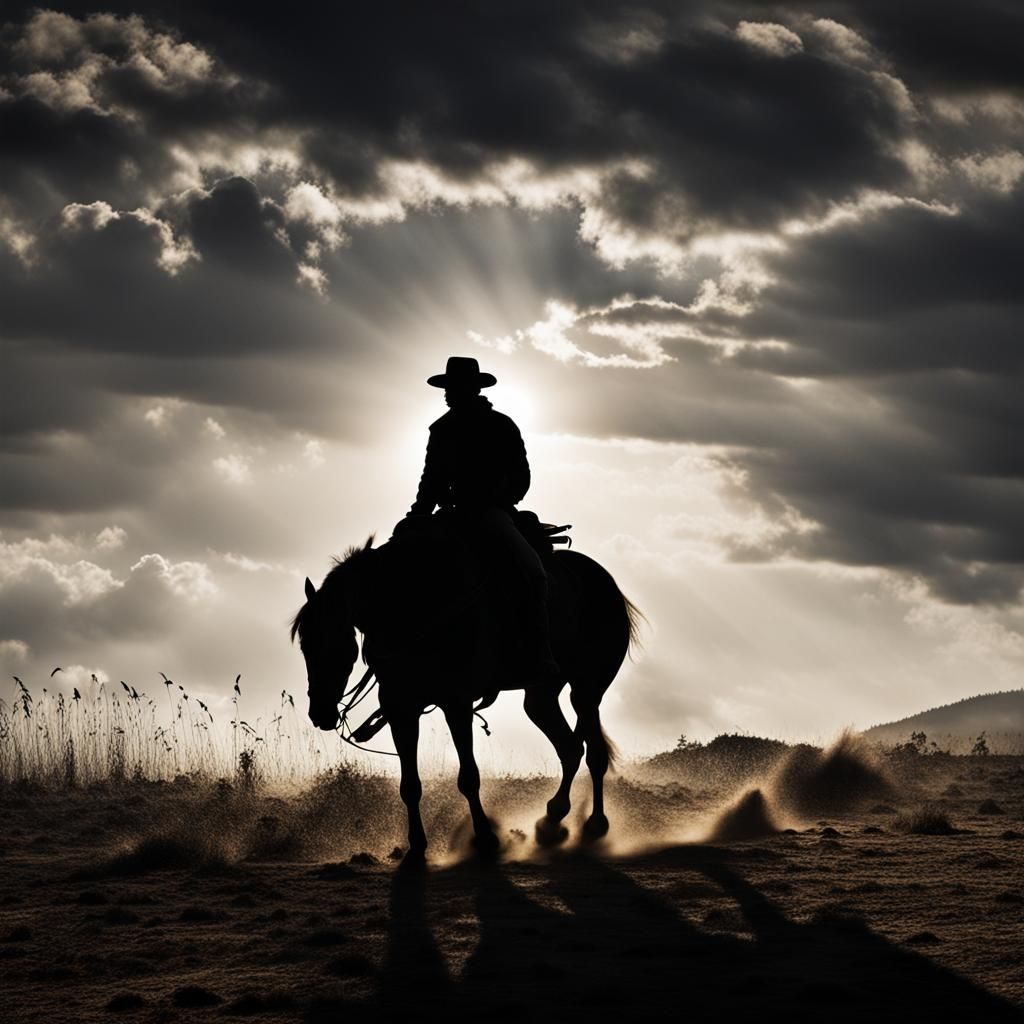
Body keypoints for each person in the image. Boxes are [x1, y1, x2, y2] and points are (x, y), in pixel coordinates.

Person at [404, 356, 561, 686]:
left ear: (472, 389)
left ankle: (541, 652)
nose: (448, 394)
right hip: (452, 514)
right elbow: (431, 479)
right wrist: (418, 514)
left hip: (492, 512)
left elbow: (521, 477)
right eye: (447, 388)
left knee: (533, 573)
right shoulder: (441, 429)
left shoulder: (501, 426)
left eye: (454, 388)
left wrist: (494, 499)